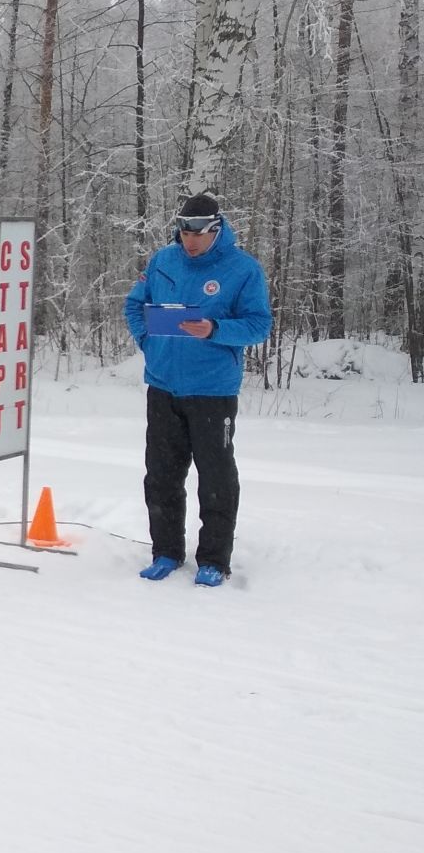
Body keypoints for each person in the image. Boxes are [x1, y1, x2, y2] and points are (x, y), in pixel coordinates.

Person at [122, 193, 273, 587]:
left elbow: (260, 325)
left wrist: (217, 330)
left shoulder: (242, 270)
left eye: (199, 234)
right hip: (163, 385)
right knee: (161, 475)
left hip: (212, 390)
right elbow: (134, 305)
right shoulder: (163, 260)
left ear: (216, 230)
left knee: (216, 476)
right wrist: (147, 341)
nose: (190, 241)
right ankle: (166, 552)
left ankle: (214, 560)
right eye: (185, 232)